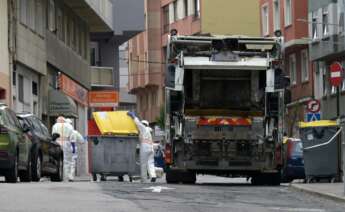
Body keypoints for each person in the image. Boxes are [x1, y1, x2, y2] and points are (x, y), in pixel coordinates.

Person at [127, 111, 156, 183]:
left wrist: (133, 116)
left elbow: (138, 123)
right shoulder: (149, 131)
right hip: (151, 149)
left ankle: (144, 179)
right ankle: (153, 176)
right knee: (150, 163)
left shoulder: (143, 129)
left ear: (144, 124)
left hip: (145, 148)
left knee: (143, 164)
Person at [51, 116, 75, 182]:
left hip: (57, 143)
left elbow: (53, 135)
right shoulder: (70, 126)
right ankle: (67, 176)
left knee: (59, 160)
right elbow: (72, 137)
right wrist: (73, 147)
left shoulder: (55, 126)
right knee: (67, 161)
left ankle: (60, 175)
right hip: (66, 143)